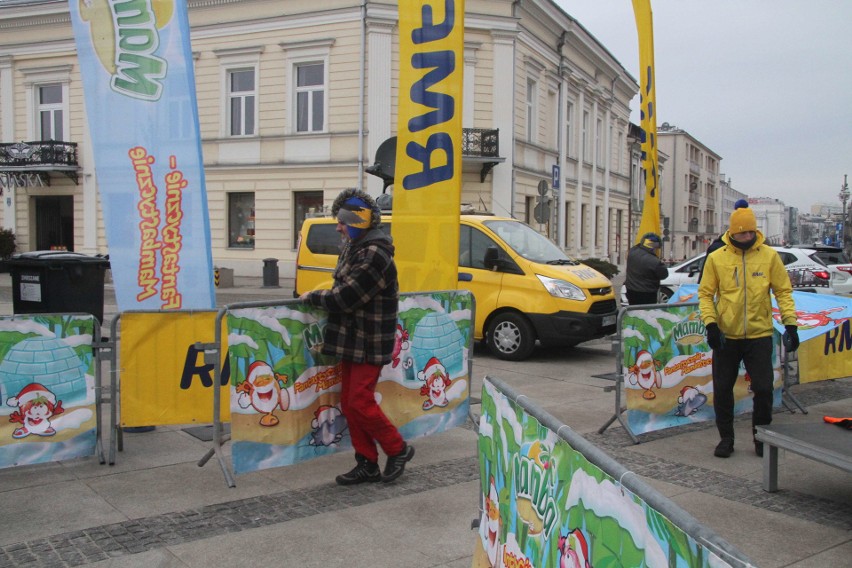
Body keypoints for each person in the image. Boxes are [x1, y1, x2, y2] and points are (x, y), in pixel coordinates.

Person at [300, 188, 414, 484]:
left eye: (342, 221)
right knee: (350, 403)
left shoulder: (375, 253)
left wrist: (315, 296)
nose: (337, 227)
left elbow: (346, 296)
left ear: (358, 221)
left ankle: (397, 448)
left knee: (360, 402)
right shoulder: (356, 245)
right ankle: (367, 463)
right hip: (354, 339)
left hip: (369, 341)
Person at [698, 203, 799, 458]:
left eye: (750, 232)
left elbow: (783, 292)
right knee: (723, 389)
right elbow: (705, 294)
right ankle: (726, 439)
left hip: (759, 335)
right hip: (726, 336)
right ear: (732, 233)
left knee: (764, 388)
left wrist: (791, 324)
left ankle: (760, 437)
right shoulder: (716, 258)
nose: (747, 237)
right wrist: (710, 324)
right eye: (742, 233)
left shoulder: (768, 256)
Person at [624, 232, 669, 305]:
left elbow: (638, 245)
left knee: (633, 312)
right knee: (646, 314)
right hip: (647, 293)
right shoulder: (655, 262)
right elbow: (664, 275)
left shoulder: (632, 252)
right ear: (654, 247)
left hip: (631, 290)